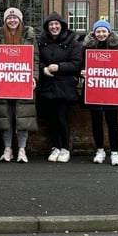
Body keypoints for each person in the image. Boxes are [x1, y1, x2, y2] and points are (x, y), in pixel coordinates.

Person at [0, 7, 39, 163]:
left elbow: (35, 58)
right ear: (5, 21)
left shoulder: (29, 36)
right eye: (9, 18)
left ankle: (22, 150)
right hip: (4, 82)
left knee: (22, 116)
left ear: (20, 20)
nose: (12, 20)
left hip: (23, 81)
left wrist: (35, 77)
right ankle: (7, 149)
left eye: (15, 18)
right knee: (6, 116)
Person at [81, 19, 118, 166]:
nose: (101, 34)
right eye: (98, 31)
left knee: (112, 122)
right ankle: (100, 150)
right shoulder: (86, 48)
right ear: (94, 33)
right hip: (93, 89)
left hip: (111, 90)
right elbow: (80, 65)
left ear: (109, 32)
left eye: (104, 31)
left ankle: (115, 153)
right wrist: (81, 72)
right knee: (96, 122)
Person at [36, 12, 83, 163]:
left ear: (62, 26)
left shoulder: (73, 43)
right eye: (51, 25)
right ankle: (55, 146)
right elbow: (36, 60)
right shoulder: (42, 42)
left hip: (64, 87)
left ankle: (65, 148)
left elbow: (77, 64)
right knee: (50, 119)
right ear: (47, 27)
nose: (54, 27)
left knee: (61, 118)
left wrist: (59, 67)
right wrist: (43, 69)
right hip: (47, 86)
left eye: (56, 24)